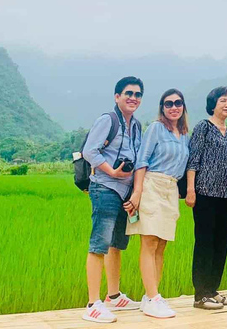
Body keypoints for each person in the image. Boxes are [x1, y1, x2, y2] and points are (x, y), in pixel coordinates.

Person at [82, 76, 144, 324]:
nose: (133, 98)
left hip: (125, 192)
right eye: (128, 93)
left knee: (117, 244)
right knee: (99, 244)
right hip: (105, 188)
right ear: (117, 96)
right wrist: (113, 171)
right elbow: (89, 151)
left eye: (138, 94)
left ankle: (114, 296)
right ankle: (92, 304)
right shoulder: (108, 120)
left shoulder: (137, 125)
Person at [125, 89, 190, 319]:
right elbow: (142, 160)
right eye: (168, 103)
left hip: (171, 190)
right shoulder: (155, 128)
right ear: (162, 108)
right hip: (152, 185)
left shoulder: (184, 134)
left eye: (178, 103)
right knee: (149, 243)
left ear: (183, 106)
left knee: (162, 245)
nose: (174, 107)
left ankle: (150, 296)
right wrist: (137, 192)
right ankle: (153, 298)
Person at [186, 86, 227, 310]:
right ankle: (200, 295)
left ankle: (212, 290)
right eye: (223, 101)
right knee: (205, 243)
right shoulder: (203, 127)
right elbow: (193, 160)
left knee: (221, 243)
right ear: (213, 104)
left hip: (226, 195)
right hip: (205, 193)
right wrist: (190, 190)